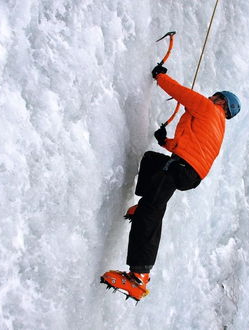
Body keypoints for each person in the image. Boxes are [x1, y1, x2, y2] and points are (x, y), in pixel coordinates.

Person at [100, 64, 241, 301]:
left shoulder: (208, 109)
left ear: (221, 102)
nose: (211, 96)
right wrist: (166, 143)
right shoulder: (218, 127)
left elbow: (180, 93)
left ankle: (138, 277)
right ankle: (142, 205)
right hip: (187, 171)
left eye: (216, 96)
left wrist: (160, 76)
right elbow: (190, 148)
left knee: (151, 214)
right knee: (152, 160)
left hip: (182, 167)